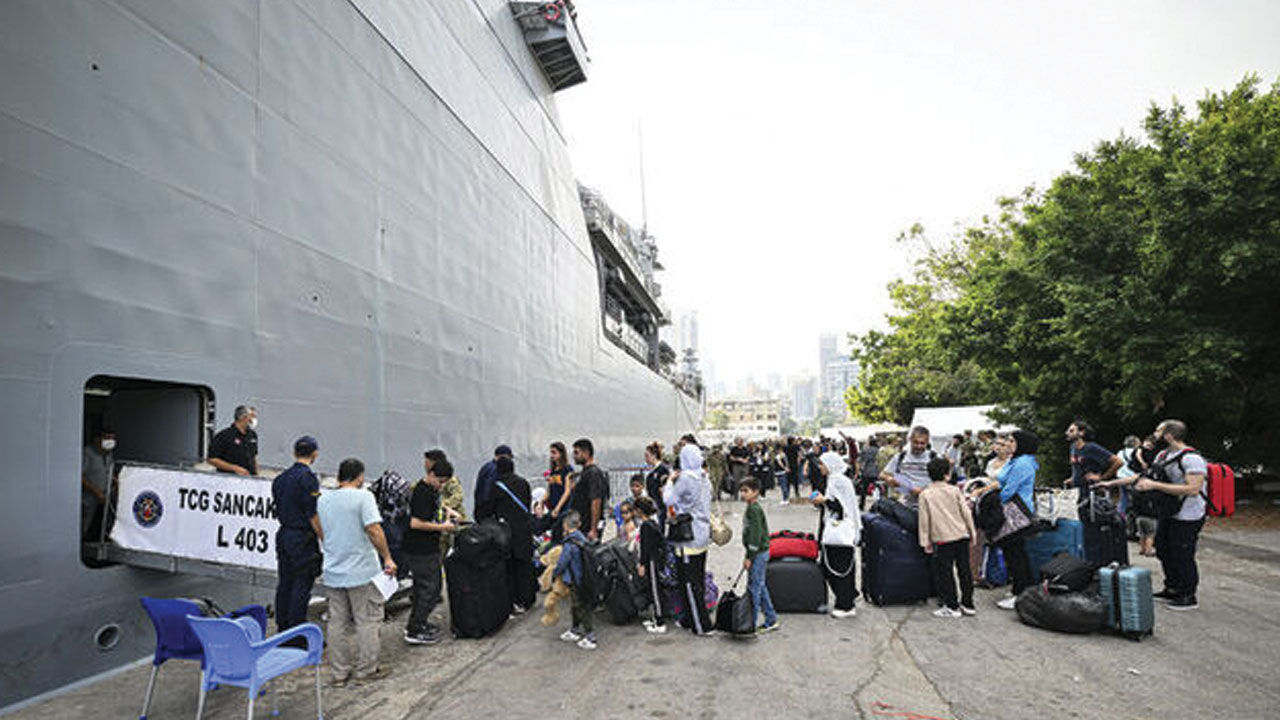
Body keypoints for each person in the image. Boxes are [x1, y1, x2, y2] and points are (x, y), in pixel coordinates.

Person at [316, 458, 396, 685]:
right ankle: (366, 670)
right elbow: (374, 529)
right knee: (367, 621)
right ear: (359, 476)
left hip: (333, 570)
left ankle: (339, 673)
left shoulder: (324, 500)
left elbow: (321, 529)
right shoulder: (364, 497)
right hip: (362, 571)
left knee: (337, 623)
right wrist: (387, 557)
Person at [1133, 419, 1207, 610]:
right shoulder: (1163, 455)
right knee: (1164, 549)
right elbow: (1148, 476)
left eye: (1158, 431)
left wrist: (1155, 486)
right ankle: (1172, 587)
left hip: (1189, 515)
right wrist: (1112, 484)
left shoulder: (1192, 459)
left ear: (1168, 435)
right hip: (1169, 511)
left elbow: (1193, 489)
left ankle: (1188, 595)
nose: (1154, 435)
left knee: (1182, 553)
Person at [403, 460, 461, 645]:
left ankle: (417, 623)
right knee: (431, 589)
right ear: (432, 474)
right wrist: (441, 527)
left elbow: (437, 506)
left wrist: (450, 511)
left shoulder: (432, 490)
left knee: (423, 589)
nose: (442, 485)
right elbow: (415, 523)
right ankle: (414, 629)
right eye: (441, 481)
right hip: (420, 549)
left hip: (428, 547)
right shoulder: (422, 492)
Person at [272, 436, 323, 640]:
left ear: (294, 453)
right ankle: (297, 633)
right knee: (302, 585)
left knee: (285, 583)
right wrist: (323, 537)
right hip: (301, 537)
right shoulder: (308, 479)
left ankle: (282, 630)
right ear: (315, 454)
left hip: (284, 534)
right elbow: (312, 513)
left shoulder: (280, 479)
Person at [982, 430, 1039, 611]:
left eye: (1013, 441)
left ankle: (1020, 592)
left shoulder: (1022, 463)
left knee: (1015, 554)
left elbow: (1009, 490)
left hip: (1016, 512)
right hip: (1015, 511)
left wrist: (994, 500)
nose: (1009, 444)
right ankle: (1022, 589)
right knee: (1015, 552)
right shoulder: (1018, 460)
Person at [664, 444, 715, 635]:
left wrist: (670, 481)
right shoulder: (704, 477)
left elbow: (668, 500)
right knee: (698, 580)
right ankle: (688, 618)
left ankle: (701, 625)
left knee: (688, 583)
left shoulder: (685, 479)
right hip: (702, 535)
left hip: (687, 538)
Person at [918, 457, 977, 618]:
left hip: (942, 538)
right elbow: (966, 513)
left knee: (945, 572)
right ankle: (968, 604)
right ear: (947, 475)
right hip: (961, 535)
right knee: (964, 569)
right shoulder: (955, 490)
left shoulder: (925, 494)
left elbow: (924, 520)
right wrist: (972, 532)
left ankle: (952, 606)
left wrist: (925, 541)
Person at [476, 456, 536, 613]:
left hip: (508, 532)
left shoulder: (497, 486)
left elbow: (489, 509)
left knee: (511, 567)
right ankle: (528, 598)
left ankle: (515, 600)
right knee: (525, 563)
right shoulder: (524, 483)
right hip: (525, 529)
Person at [811, 451, 860, 618]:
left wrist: (823, 500)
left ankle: (846, 605)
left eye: (822, 464)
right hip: (832, 530)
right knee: (830, 565)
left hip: (840, 532)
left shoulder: (839, 482)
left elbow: (842, 509)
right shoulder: (833, 480)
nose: (820, 468)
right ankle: (848, 595)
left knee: (840, 568)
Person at [739, 478, 779, 633]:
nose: (743, 494)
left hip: (758, 553)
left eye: (746, 491)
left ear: (755, 492)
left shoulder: (754, 510)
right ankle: (771, 619)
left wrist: (749, 556)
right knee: (760, 586)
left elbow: (755, 535)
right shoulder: (751, 507)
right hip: (758, 552)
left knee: (754, 589)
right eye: (741, 490)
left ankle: (751, 623)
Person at [554, 511, 597, 650]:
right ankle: (575, 629)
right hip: (584, 578)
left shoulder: (569, 544)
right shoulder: (582, 538)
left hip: (574, 579)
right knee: (576, 605)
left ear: (566, 526)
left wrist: (554, 573)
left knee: (581, 607)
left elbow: (562, 563)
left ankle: (590, 636)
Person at [634, 496, 669, 635]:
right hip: (655, 559)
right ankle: (655, 617)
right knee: (652, 588)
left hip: (652, 561)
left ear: (639, 511)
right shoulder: (653, 523)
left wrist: (642, 564)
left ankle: (660, 621)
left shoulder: (645, 526)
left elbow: (645, 548)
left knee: (655, 590)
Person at [423, 449, 467, 557]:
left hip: (452, 523)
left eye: (427, 461)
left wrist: (441, 506)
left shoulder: (450, 479)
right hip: (441, 525)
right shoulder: (430, 479)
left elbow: (458, 496)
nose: (425, 465)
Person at [1062, 420, 1123, 493]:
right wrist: (1072, 478)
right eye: (1068, 430)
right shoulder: (1072, 448)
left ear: (1082, 433)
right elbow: (1078, 467)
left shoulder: (1091, 448)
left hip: (1092, 491)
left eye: (1071, 431)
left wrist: (1102, 477)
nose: (1067, 433)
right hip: (1077, 490)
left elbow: (1118, 462)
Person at [880, 426, 936, 506]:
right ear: (910, 440)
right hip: (905, 504)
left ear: (927, 442)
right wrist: (890, 479)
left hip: (929, 503)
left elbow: (944, 479)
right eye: (916, 442)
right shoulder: (901, 457)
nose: (919, 446)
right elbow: (883, 474)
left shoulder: (934, 457)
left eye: (922, 443)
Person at [81, 428, 116, 539]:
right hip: (88, 498)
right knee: (84, 525)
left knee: (101, 526)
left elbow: (107, 472)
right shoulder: (87, 453)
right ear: (98, 439)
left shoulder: (109, 454)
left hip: (105, 497)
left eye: (112, 438)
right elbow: (80, 476)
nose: (110, 441)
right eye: (107, 438)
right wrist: (96, 492)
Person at [570, 438, 607, 541]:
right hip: (581, 525)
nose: (574, 456)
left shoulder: (593, 473)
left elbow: (596, 500)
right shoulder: (585, 473)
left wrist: (593, 529)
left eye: (576, 452)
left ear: (586, 453)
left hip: (588, 528)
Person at [208, 405, 258, 476]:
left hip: (249, 478)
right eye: (252, 416)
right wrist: (235, 468)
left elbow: (254, 457)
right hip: (229, 478)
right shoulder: (223, 436)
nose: (254, 419)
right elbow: (212, 459)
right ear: (242, 417)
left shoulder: (252, 435)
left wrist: (256, 475)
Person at [473, 444, 512, 518]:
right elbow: (488, 490)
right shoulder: (496, 469)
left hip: (480, 507)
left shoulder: (486, 467)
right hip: (488, 511)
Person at [546, 442, 574, 520]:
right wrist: (541, 502)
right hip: (553, 505)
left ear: (561, 454)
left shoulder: (567, 469)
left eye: (554, 453)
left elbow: (567, 491)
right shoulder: (553, 471)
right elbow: (549, 489)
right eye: (551, 453)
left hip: (564, 507)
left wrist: (558, 508)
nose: (551, 455)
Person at [643, 442, 669, 523]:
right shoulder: (651, 472)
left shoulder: (662, 470)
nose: (646, 459)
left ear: (654, 455)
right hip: (654, 507)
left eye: (647, 456)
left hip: (661, 507)